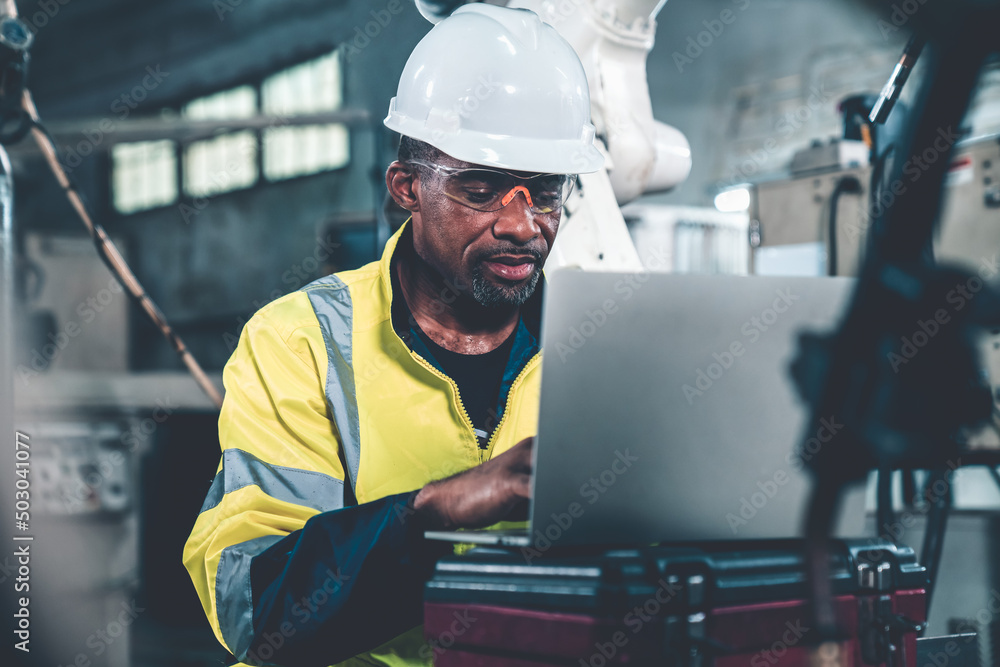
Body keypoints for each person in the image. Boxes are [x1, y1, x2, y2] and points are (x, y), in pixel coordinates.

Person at [182, 4, 605, 666]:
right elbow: (252, 605)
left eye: (545, 192)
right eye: (483, 188)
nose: (524, 224)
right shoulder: (301, 342)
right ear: (407, 187)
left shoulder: (600, 347)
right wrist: (433, 509)